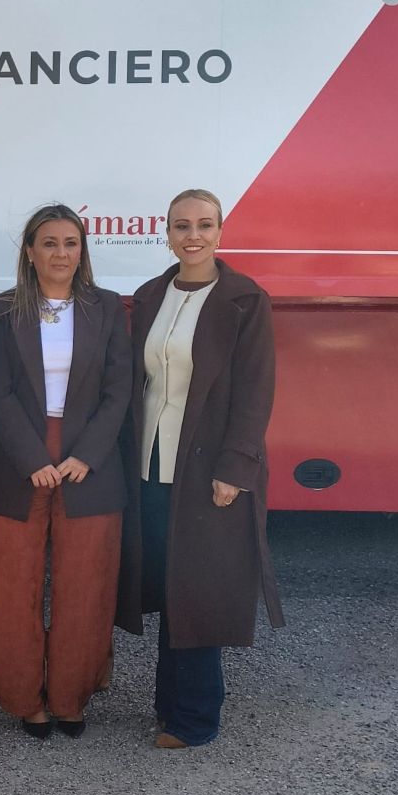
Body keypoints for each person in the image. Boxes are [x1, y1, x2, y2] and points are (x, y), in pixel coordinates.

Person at [121, 188, 285, 748]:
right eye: (182, 225)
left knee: (198, 588)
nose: (193, 235)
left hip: (210, 468)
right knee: (170, 584)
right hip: (152, 463)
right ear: (167, 233)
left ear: (220, 232)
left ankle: (195, 718)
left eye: (204, 225)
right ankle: (169, 706)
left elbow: (256, 391)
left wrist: (235, 467)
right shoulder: (150, 295)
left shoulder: (245, 299)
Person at [0, 204, 131, 739]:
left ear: (82, 251)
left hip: (90, 463)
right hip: (15, 460)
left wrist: (87, 454)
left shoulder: (107, 308)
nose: (61, 253)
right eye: (49, 242)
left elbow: (119, 390)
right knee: (7, 585)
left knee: (86, 585)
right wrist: (32, 458)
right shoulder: (0, 310)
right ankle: (25, 700)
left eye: (71, 242)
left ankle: (70, 698)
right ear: (29, 251)